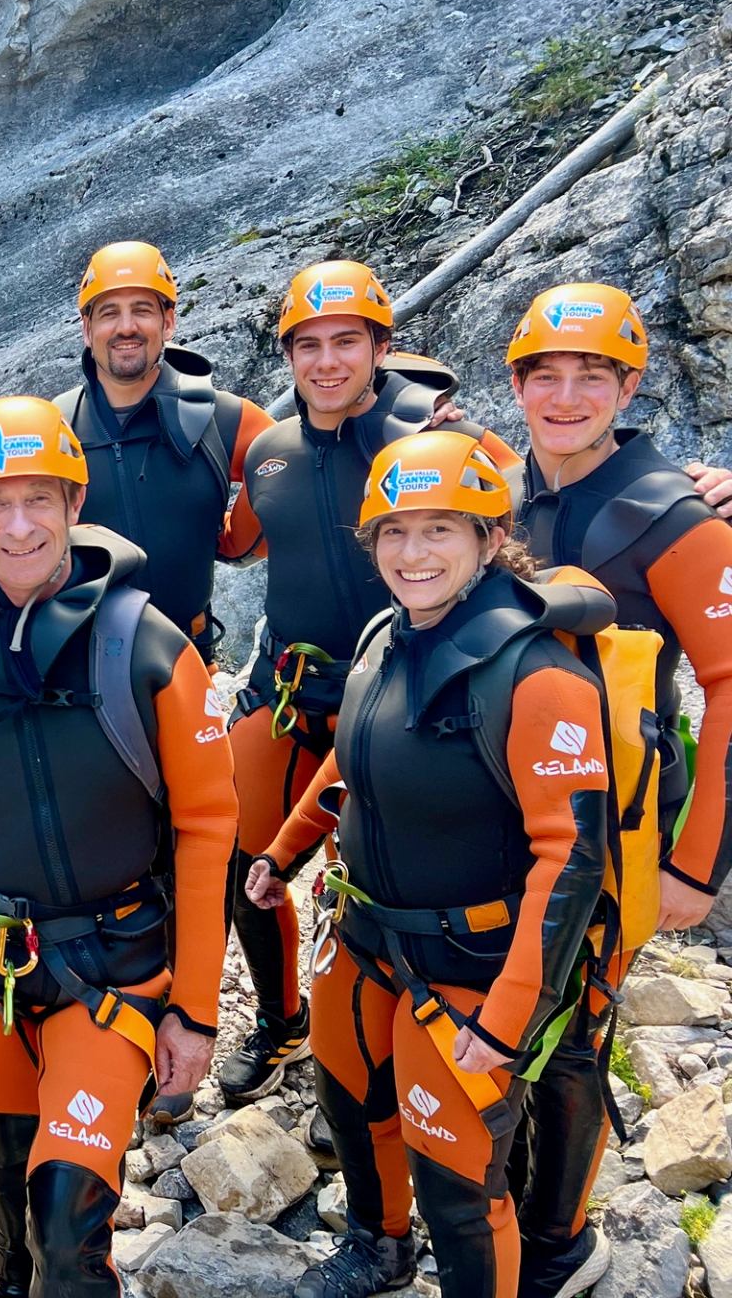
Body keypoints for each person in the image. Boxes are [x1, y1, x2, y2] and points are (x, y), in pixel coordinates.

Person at [0, 396, 239, 1298]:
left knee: (67, 1216)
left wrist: (193, 1011)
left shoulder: (148, 645)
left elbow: (206, 832)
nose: (19, 523)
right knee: (5, 1178)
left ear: (76, 504)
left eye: (39, 497)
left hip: (110, 964)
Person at [246, 429, 608, 1298]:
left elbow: (573, 857)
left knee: (459, 1181)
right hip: (366, 934)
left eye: (441, 530)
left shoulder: (537, 673)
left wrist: (509, 1020)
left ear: (490, 538)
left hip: (469, 970)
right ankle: (378, 1247)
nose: (414, 554)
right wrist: (285, 850)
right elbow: (352, 761)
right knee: (350, 1100)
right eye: (395, 532)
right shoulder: (384, 634)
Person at [220, 260, 522, 1106]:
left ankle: (375, 1058)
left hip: (399, 691)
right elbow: (240, 541)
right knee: (246, 860)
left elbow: (521, 504)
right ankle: (284, 1025)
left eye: (346, 341)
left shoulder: (426, 433)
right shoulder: (272, 452)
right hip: (289, 686)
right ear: (286, 355)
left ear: (382, 345)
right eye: (307, 344)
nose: (326, 361)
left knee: (372, 873)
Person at [495, 283, 732, 1298]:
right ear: (516, 385)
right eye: (545, 374)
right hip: (507, 808)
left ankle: (562, 1241)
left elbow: (729, 684)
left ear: (629, 384)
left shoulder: (668, 513)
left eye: (592, 374)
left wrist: (698, 860)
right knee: (506, 1007)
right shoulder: (504, 495)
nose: (566, 394)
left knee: (575, 1028)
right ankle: (495, 1203)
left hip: (621, 822)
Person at [0, 241, 273, 669]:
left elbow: (290, 475)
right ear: (87, 329)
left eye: (142, 309)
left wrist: (233, 539)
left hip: (192, 662)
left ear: (169, 321)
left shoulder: (226, 419)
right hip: (76, 669)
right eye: (108, 312)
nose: (126, 327)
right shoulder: (51, 430)